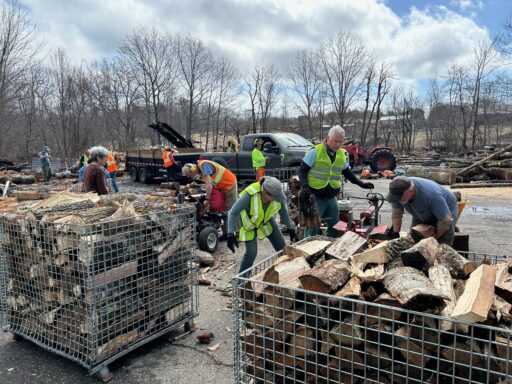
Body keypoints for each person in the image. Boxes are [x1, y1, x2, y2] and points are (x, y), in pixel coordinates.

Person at [299, 125, 374, 238]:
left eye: (340, 142)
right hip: (315, 195)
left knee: (335, 226)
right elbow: (302, 170)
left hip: (331, 196)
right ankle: (307, 248)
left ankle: (330, 249)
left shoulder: (341, 154)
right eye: (335, 141)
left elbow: (347, 172)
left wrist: (361, 183)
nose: (338, 144)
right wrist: (305, 187)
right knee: (313, 227)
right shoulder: (315, 152)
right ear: (328, 138)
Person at [226, 176, 298, 275]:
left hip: (266, 220)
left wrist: (291, 229)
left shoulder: (276, 194)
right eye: (274, 197)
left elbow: (283, 212)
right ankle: (241, 283)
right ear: (265, 193)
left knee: (283, 249)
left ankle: (286, 276)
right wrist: (230, 233)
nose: (277, 199)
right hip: (250, 224)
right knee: (251, 253)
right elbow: (233, 212)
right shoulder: (250, 194)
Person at [385, 176, 458, 245]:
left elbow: (446, 220)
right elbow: (396, 213)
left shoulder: (432, 195)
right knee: (413, 240)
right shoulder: (398, 189)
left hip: (445, 215)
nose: (397, 199)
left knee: (440, 248)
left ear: (410, 191)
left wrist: (434, 237)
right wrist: (395, 233)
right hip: (421, 212)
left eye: (399, 197)